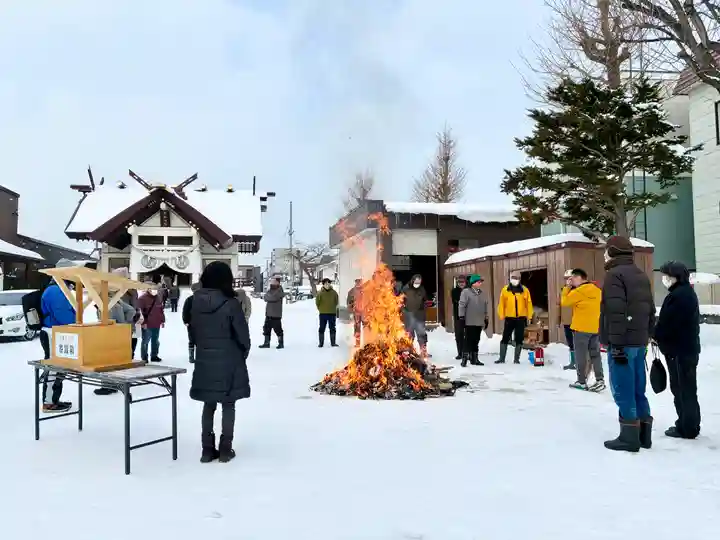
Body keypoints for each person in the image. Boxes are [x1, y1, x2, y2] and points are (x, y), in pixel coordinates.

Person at [190, 261, 251, 463]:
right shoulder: (231, 303)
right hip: (229, 361)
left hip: (205, 359)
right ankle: (225, 449)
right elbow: (243, 335)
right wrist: (243, 352)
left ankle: (207, 450)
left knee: (209, 404)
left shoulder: (193, 302)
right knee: (228, 404)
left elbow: (193, 332)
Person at [600, 235, 655, 452]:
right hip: (639, 341)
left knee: (623, 389)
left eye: (605, 250)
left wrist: (617, 343)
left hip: (622, 342)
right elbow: (650, 309)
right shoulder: (640, 274)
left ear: (612, 251)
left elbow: (615, 312)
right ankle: (644, 435)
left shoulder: (614, 275)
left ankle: (629, 436)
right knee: (638, 388)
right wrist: (648, 334)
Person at [654, 260, 701, 440]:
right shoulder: (685, 293)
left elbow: (669, 324)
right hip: (686, 349)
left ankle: (686, 427)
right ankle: (689, 424)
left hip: (679, 350)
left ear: (675, 276)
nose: (664, 279)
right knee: (687, 388)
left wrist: (656, 334)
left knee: (682, 389)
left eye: (666, 275)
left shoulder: (678, 296)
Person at [39, 259, 77, 413]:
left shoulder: (60, 288)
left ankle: (53, 399)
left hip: (58, 332)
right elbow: (64, 315)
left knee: (59, 367)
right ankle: (49, 402)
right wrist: (76, 324)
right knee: (55, 367)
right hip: (53, 332)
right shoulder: (56, 290)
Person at [562, 268, 605, 392]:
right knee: (595, 354)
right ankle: (599, 379)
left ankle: (581, 381)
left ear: (579, 278)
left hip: (581, 329)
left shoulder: (578, 291)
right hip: (595, 328)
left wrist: (566, 288)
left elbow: (565, 302)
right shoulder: (597, 291)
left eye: (573, 278)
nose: (572, 281)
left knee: (580, 355)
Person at [94, 295, 136, 395]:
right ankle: (114, 384)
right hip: (120, 334)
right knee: (114, 360)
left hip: (108, 335)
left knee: (105, 361)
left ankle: (107, 386)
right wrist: (125, 322)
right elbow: (132, 310)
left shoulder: (103, 304)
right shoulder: (117, 301)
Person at [496, 271, 533, 364]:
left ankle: (516, 359)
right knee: (505, 337)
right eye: (513, 277)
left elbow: (528, 304)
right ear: (510, 278)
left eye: (516, 278)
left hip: (520, 318)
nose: (514, 280)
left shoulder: (525, 290)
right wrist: (501, 314)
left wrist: (529, 316)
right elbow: (501, 303)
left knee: (519, 338)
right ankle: (501, 358)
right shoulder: (505, 290)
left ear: (520, 279)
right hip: (509, 318)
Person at [458, 274, 489, 367]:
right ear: (473, 283)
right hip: (469, 321)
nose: (480, 283)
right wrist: (461, 317)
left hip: (479, 321)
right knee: (468, 340)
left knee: (476, 340)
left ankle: (474, 359)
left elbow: (485, 306)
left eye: (480, 282)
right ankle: (464, 359)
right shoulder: (466, 292)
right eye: (478, 282)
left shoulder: (482, 293)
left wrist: (486, 318)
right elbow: (462, 304)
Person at [402, 274, 430, 358]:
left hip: (419, 315)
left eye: (419, 282)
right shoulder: (406, 289)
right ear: (412, 280)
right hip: (408, 316)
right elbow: (400, 300)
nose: (417, 283)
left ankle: (423, 351)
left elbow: (425, 300)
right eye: (416, 281)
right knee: (409, 335)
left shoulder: (422, 289)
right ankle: (408, 352)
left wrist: (424, 308)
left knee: (421, 334)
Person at [137, 281, 166, 362]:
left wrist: (162, 320)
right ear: (148, 289)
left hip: (156, 323)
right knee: (145, 341)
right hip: (147, 324)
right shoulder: (142, 299)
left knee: (155, 341)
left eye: (156, 289)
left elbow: (160, 310)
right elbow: (139, 312)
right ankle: (144, 357)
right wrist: (143, 323)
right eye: (153, 289)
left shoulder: (157, 298)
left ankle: (154, 355)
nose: (155, 291)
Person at [259, 277, 284, 349]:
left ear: (278, 283)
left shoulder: (280, 290)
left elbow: (274, 298)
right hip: (268, 313)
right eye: (272, 281)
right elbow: (265, 297)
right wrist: (268, 297)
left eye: (274, 281)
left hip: (276, 314)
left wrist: (269, 297)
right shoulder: (270, 290)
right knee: (266, 328)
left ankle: (281, 343)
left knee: (278, 329)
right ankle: (266, 343)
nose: (272, 283)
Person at [559, 270, 576, 371]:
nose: (568, 281)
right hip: (566, 321)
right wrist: (558, 320)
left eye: (569, 278)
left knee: (578, 342)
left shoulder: (578, 290)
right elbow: (559, 305)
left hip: (576, 321)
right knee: (570, 342)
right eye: (566, 279)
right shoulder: (563, 290)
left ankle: (580, 363)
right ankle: (572, 362)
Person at [316, 278, 339, 347]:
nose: (327, 285)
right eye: (325, 283)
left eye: (328, 283)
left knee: (332, 328)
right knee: (322, 328)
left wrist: (333, 308)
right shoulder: (320, 293)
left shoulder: (334, 293)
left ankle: (333, 343)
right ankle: (321, 343)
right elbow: (317, 303)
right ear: (323, 285)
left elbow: (336, 301)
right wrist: (321, 309)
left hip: (332, 313)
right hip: (323, 313)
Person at [182, 282, 202, 362]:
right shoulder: (189, 300)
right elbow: (185, 311)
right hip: (192, 323)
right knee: (192, 340)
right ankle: (191, 356)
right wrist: (186, 321)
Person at [451, 275, 467, 360]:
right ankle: (460, 353)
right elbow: (456, 301)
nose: (461, 283)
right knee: (459, 335)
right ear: (457, 283)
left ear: (465, 282)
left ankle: (467, 353)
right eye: (460, 282)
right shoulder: (454, 291)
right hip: (458, 316)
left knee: (467, 335)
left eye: (463, 282)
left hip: (468, 316)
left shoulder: (469, 291)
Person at [347, 278, 364, 347]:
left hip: (365, 313)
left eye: (360, 282)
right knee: (357, 328)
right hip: (356, 313)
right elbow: (349, 302)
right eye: (357, 282)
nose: (358, 283)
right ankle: (357, 343)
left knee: (367, 327)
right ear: (355, 283)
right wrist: (351, 310)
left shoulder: (366, 290)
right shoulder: (352, 291)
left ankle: (368, 342)